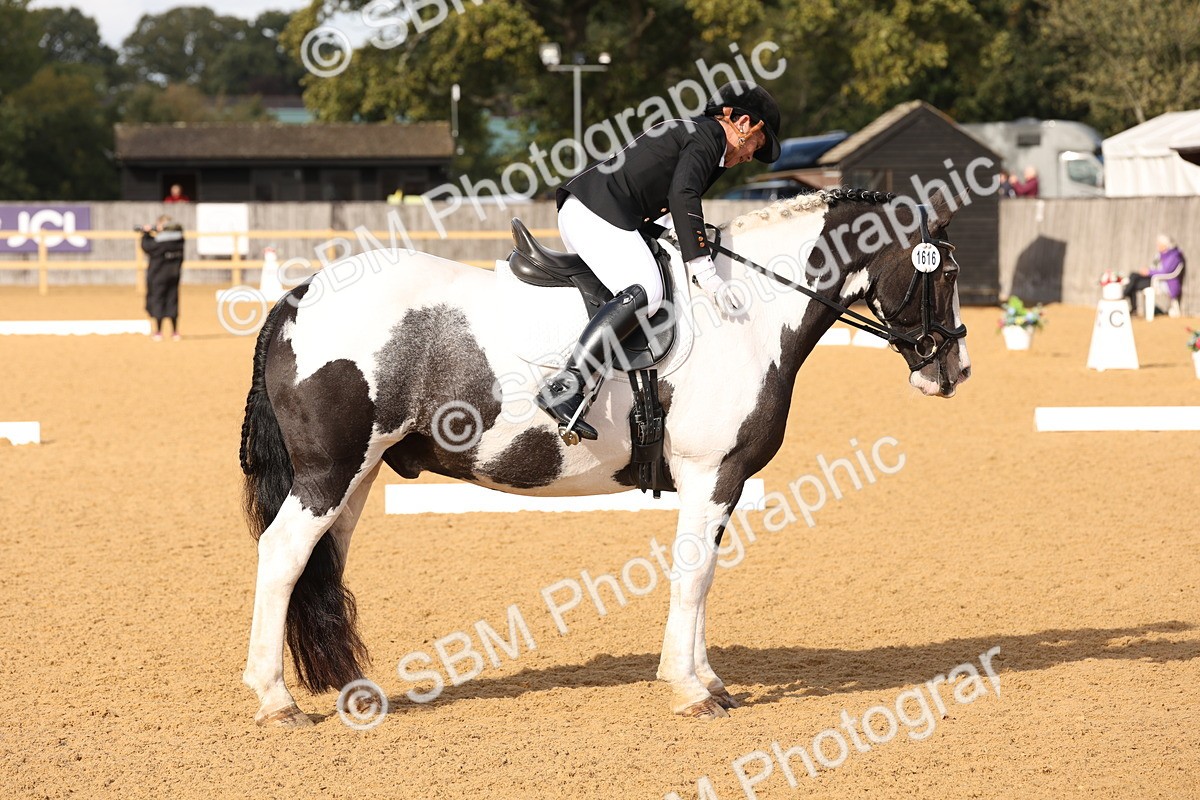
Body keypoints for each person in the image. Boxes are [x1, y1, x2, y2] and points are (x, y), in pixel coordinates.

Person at [536, 81, 782, 442]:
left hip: (599, 211)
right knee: (647, 292)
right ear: (743, 123)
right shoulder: (707, 136)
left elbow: (668, 203)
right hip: (597, 213)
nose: (749, 157)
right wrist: (706, 272)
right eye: (756, 147)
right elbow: (683, 195)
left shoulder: (702, 140)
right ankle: (566, 386)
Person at [142, 216, 185, 341]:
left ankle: (158, 332)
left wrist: (146, 233)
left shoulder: (159, 243)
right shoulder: (180, 240)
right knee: (173, 301)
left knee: (158, 301)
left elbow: (147, 246)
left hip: (158, 276)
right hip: (174, 276)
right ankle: (175, 331)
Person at [1124, 234, 1186, 316]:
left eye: (1159, 244)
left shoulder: (1174, 256)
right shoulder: (1159, 255)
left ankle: (1124, 296)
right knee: (1133, 276)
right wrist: (1147, 271)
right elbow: (1154, 267)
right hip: (1154, 278)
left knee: (1133, 283)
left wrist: (1149, 272)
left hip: (1163, 282)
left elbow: (1165, 272)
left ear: (1165, 245)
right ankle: (1127, 299)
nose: (1157, 246)